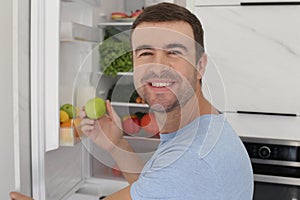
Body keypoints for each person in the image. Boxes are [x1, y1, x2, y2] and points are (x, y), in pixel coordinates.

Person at [10, 2, 253, 200]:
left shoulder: (192, 161)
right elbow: (153, 191)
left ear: (200, 65)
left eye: (174, 52)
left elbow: (170, 181)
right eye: (145, 52)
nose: (158, 66)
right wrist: (116, 142)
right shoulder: (202, 128)